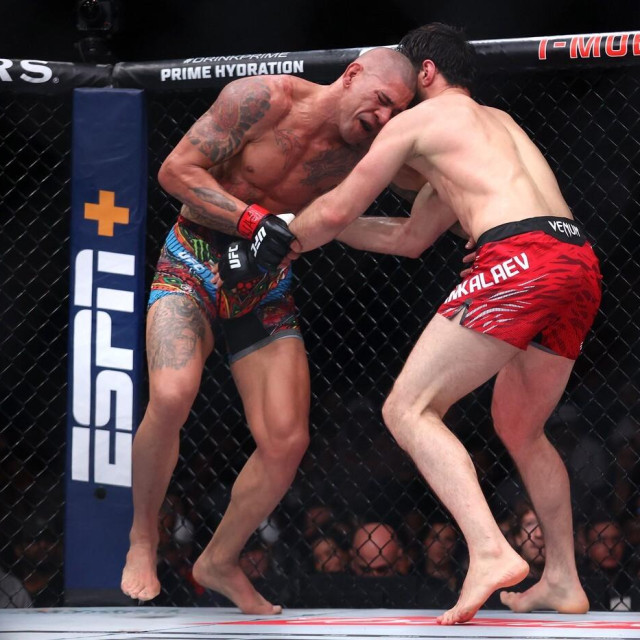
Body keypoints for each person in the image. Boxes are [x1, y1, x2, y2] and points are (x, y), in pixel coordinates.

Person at [285, 23, 602, 624]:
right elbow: (408, 238)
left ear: (424, 72)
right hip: (576, 259)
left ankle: (488, 550)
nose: (393, 104)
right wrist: (315, 226)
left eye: (403, 85)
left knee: (407, 409)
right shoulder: (498, 123)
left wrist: (274, 235)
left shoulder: (417, 123)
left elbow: (337, 207)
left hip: (520, 258)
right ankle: (562, 578)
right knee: (520, 427)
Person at [120, 47, 416, 614]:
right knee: (172, 396)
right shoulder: (261, 99)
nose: (382, 117)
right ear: (352, 75)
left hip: (264, 288)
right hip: (193, 262)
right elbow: (176, 171)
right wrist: (253, 219)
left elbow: (422, 183)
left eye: (395, 112)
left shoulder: (373, 150)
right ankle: (142, 536)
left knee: (286, 442)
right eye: (380, 101)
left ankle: (220, 560)